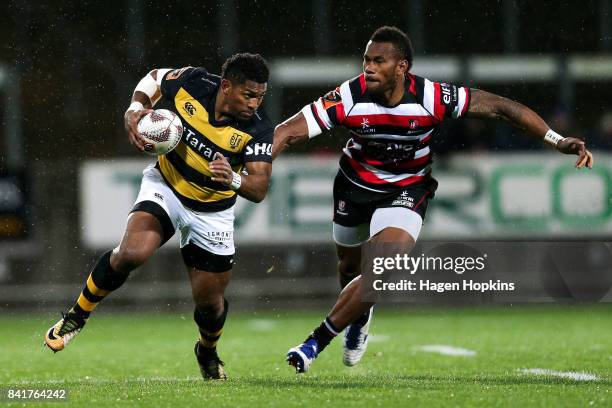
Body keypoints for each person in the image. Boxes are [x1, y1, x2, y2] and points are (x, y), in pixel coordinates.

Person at [272, 26, 594, 373]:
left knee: (382, 266)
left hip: (408, 187)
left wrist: (555, 139)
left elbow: (503, 108)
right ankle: (360, 315)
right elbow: (288, 131)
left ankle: (314, 343)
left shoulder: (433, 96)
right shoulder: (348, 96)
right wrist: (259, 161)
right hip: (355, 187)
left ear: (402, 67)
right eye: (366, 60)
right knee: (350, 269)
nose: (368, 68)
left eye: (379, 61)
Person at [44, 53, 274, 380]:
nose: (254, 104)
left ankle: (207, 352)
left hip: (213, 211)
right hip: (166, 186)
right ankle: (76, 316)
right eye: (248, 95)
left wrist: (234, 179)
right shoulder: (193, 82)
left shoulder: (259, 129)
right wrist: (134, 110)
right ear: (225, 86)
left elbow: (260, 187)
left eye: (260, 97)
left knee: (210, 304)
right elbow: (153, 79)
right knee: (130, 254)